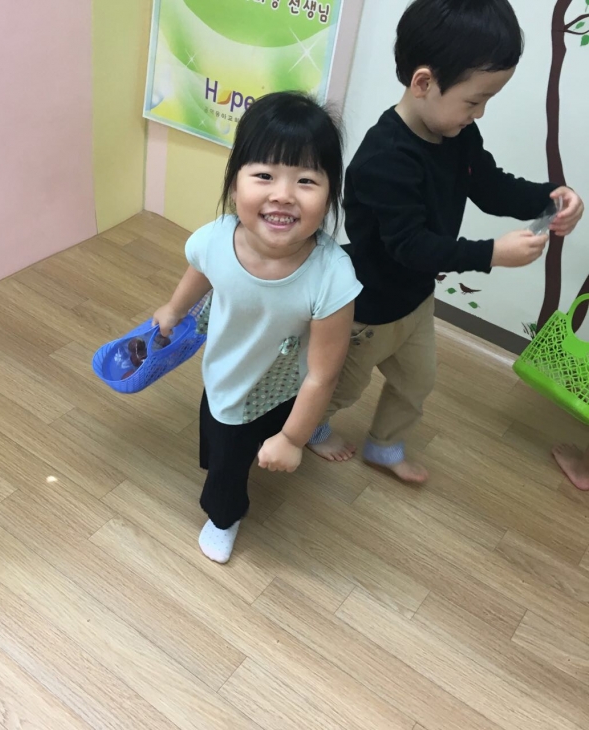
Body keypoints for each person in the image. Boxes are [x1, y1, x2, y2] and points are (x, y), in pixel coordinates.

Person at [307, 0, 585, 482]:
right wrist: (491, 254)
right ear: (423, 82)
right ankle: (310, 427)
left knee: (416, 382)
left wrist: (549, 198)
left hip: (415, 300)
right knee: (341, 386)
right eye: (474, 101)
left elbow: (490, 186)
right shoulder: (384, 160)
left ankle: (384, 446)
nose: (479, 113)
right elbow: (410, 247)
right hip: (367, 308)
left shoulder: (457, 135)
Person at [152, 92, 362, 563]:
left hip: (290, 380)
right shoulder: (215, 239)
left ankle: (229, 509)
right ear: (234, 183)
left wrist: (292, 439)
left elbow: (323, 373)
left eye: (306, 180)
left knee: (274, 430)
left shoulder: (332, 277)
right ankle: (233, 502)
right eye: (265, 175)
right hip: (230, 375)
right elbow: (201, 272)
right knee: (223, 450)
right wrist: (173, 309)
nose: (283, 194)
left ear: (330, 194)